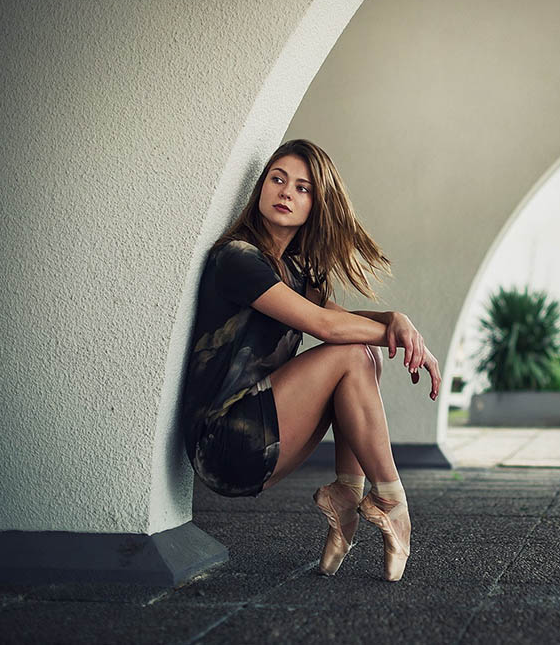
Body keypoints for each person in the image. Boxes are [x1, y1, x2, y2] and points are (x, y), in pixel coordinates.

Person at [179, 139, 441, 582]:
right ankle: (391, 500)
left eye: (302, 188)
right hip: (222, 443)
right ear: (261, 188)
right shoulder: (237, 258)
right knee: (353, 353)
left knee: (365, 356)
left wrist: (396, 320)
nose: (286, 192)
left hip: (259, 438)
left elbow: (343, 321)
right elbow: (326, 327)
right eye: (277, 179)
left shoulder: (296, 273)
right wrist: (407, 340)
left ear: (316, 204)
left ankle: (347, 493)